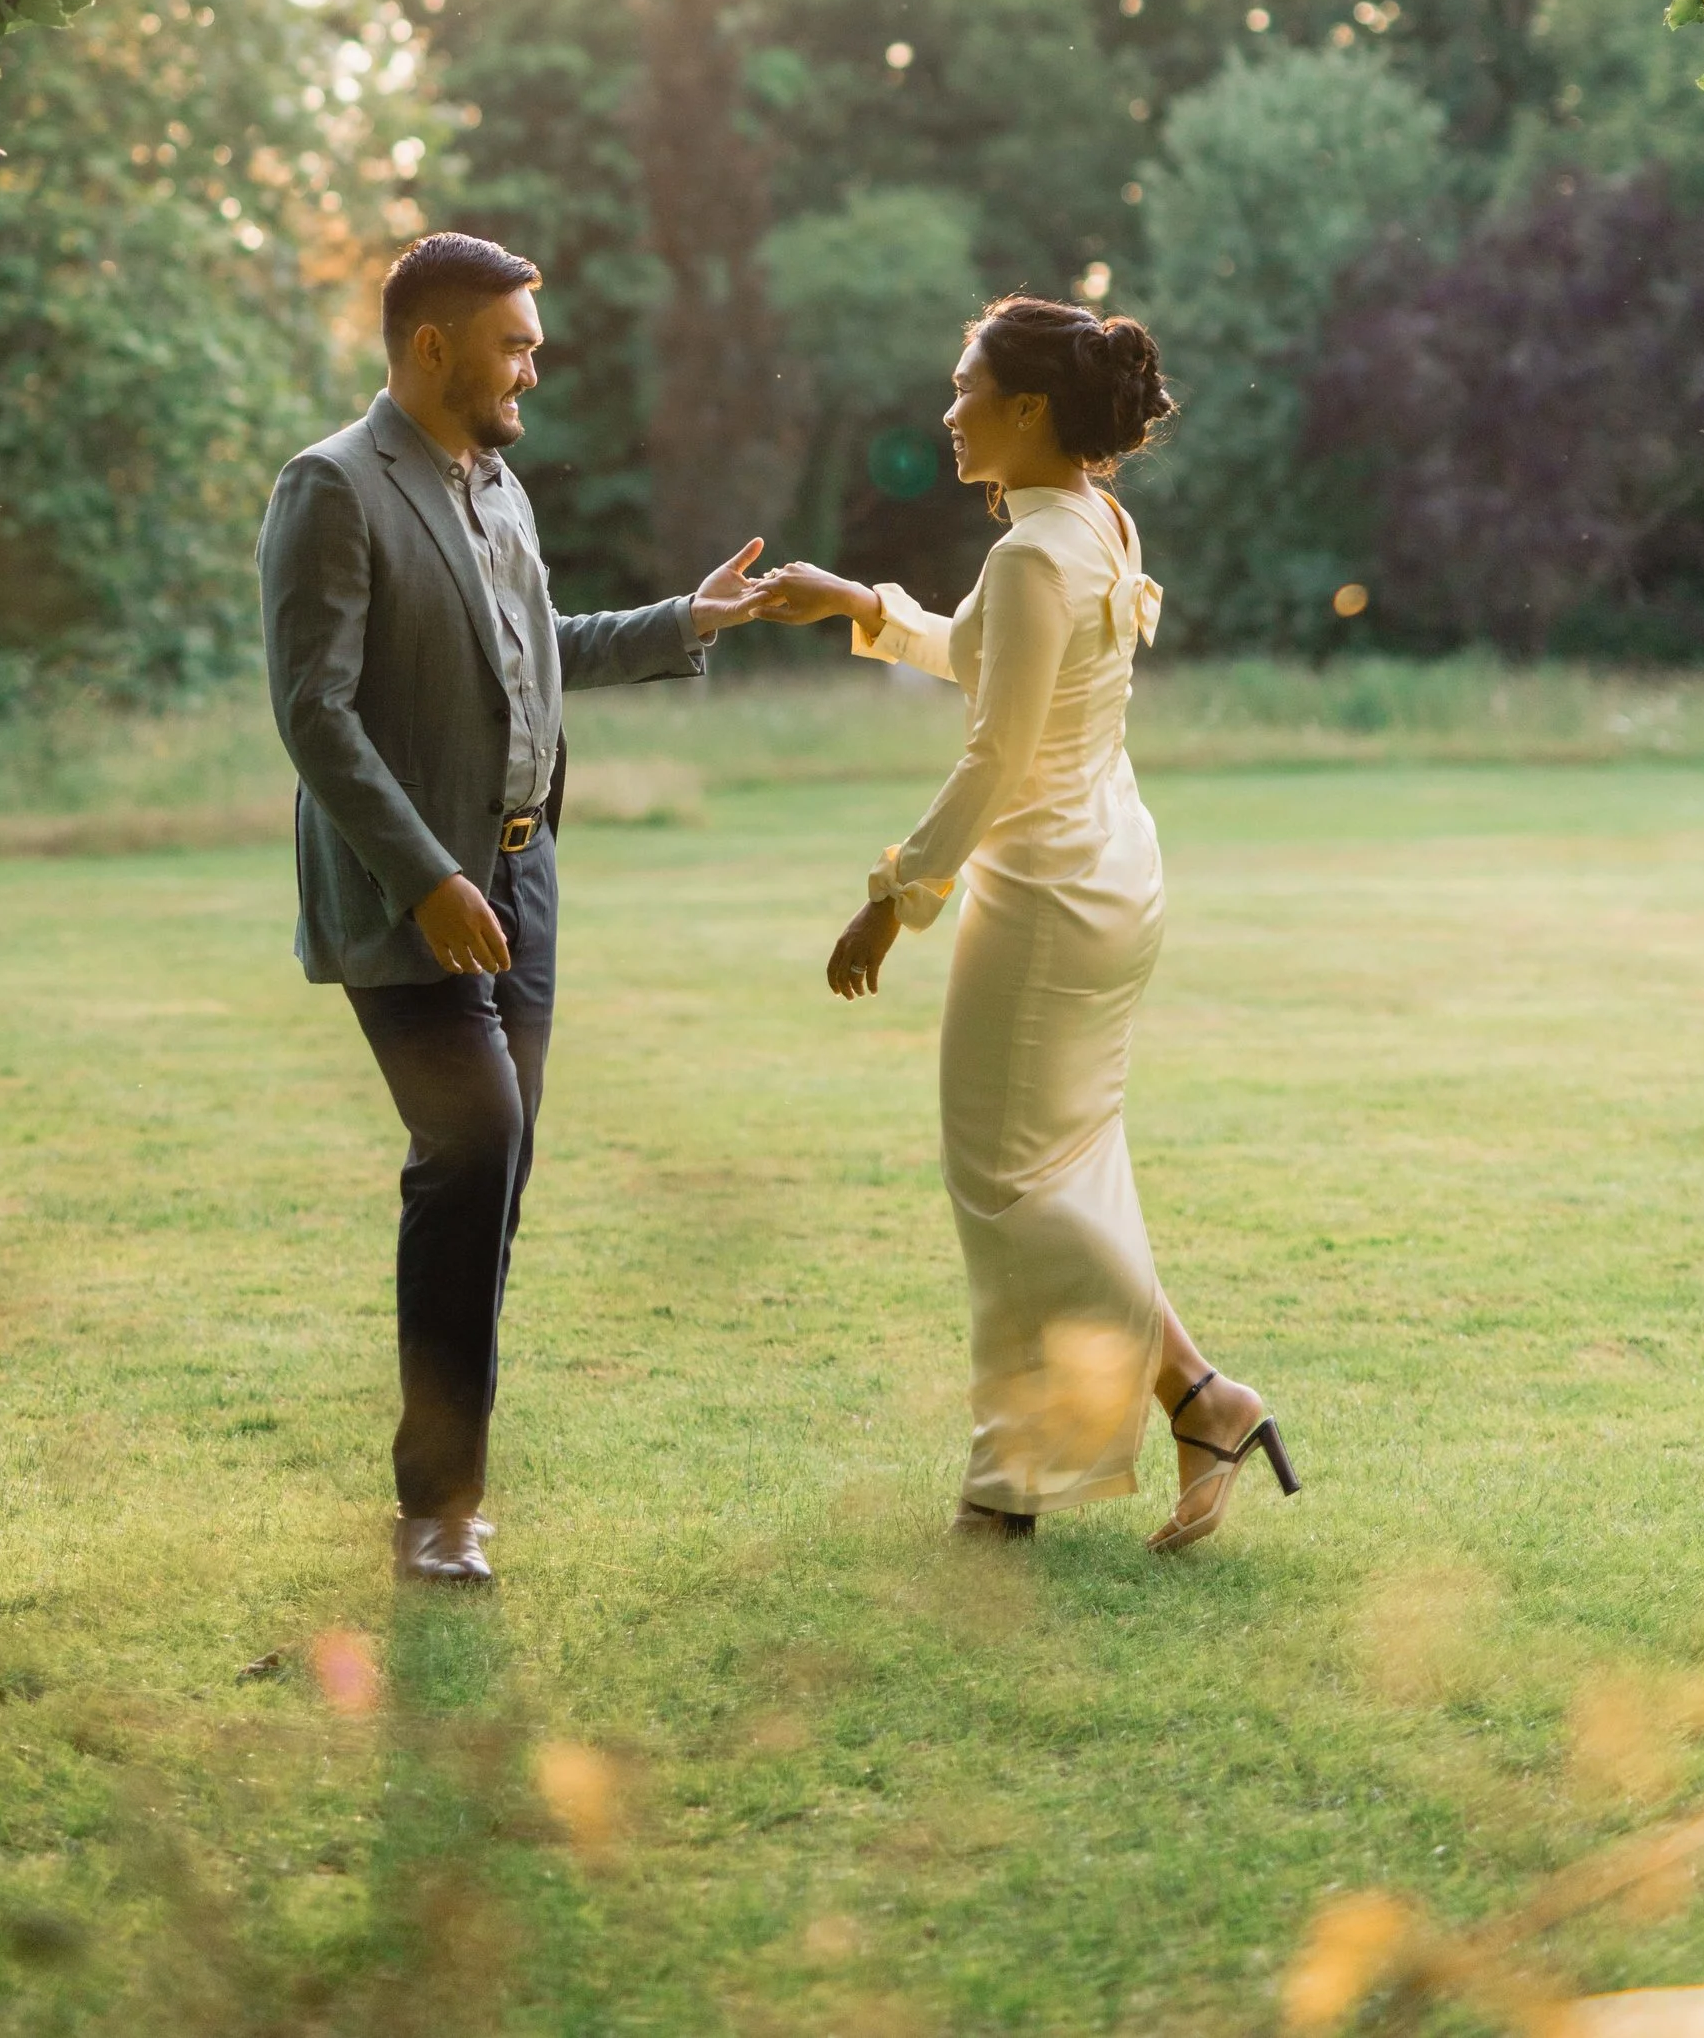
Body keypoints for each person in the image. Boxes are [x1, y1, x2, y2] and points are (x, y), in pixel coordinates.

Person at [259, 231, 773, 1585]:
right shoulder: (331, 488)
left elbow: (534, 656)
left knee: (498, 1172)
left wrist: (688, 622)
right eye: (514, 343)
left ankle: (448, 1473)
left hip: (523, 874)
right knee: (473, 1144)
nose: (533, 366)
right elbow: (314, 713)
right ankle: (439, 1508)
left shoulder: (497, 489)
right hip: (410, 887)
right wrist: (427, 875)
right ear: (431, 347)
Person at [754, 295, 1299, 1552]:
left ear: (1029, 407)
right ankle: (1201, 1401)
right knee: (1058, 1170)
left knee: (1008, 1184)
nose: (947, 411)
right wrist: (861, 604)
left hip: (1049, 892)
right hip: (1109, 876)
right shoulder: (1089, 523)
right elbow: (999, 667)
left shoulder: (1035, 549)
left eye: (963, 388)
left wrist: (893, 898)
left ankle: (1011, 1491)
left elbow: (995, 752)